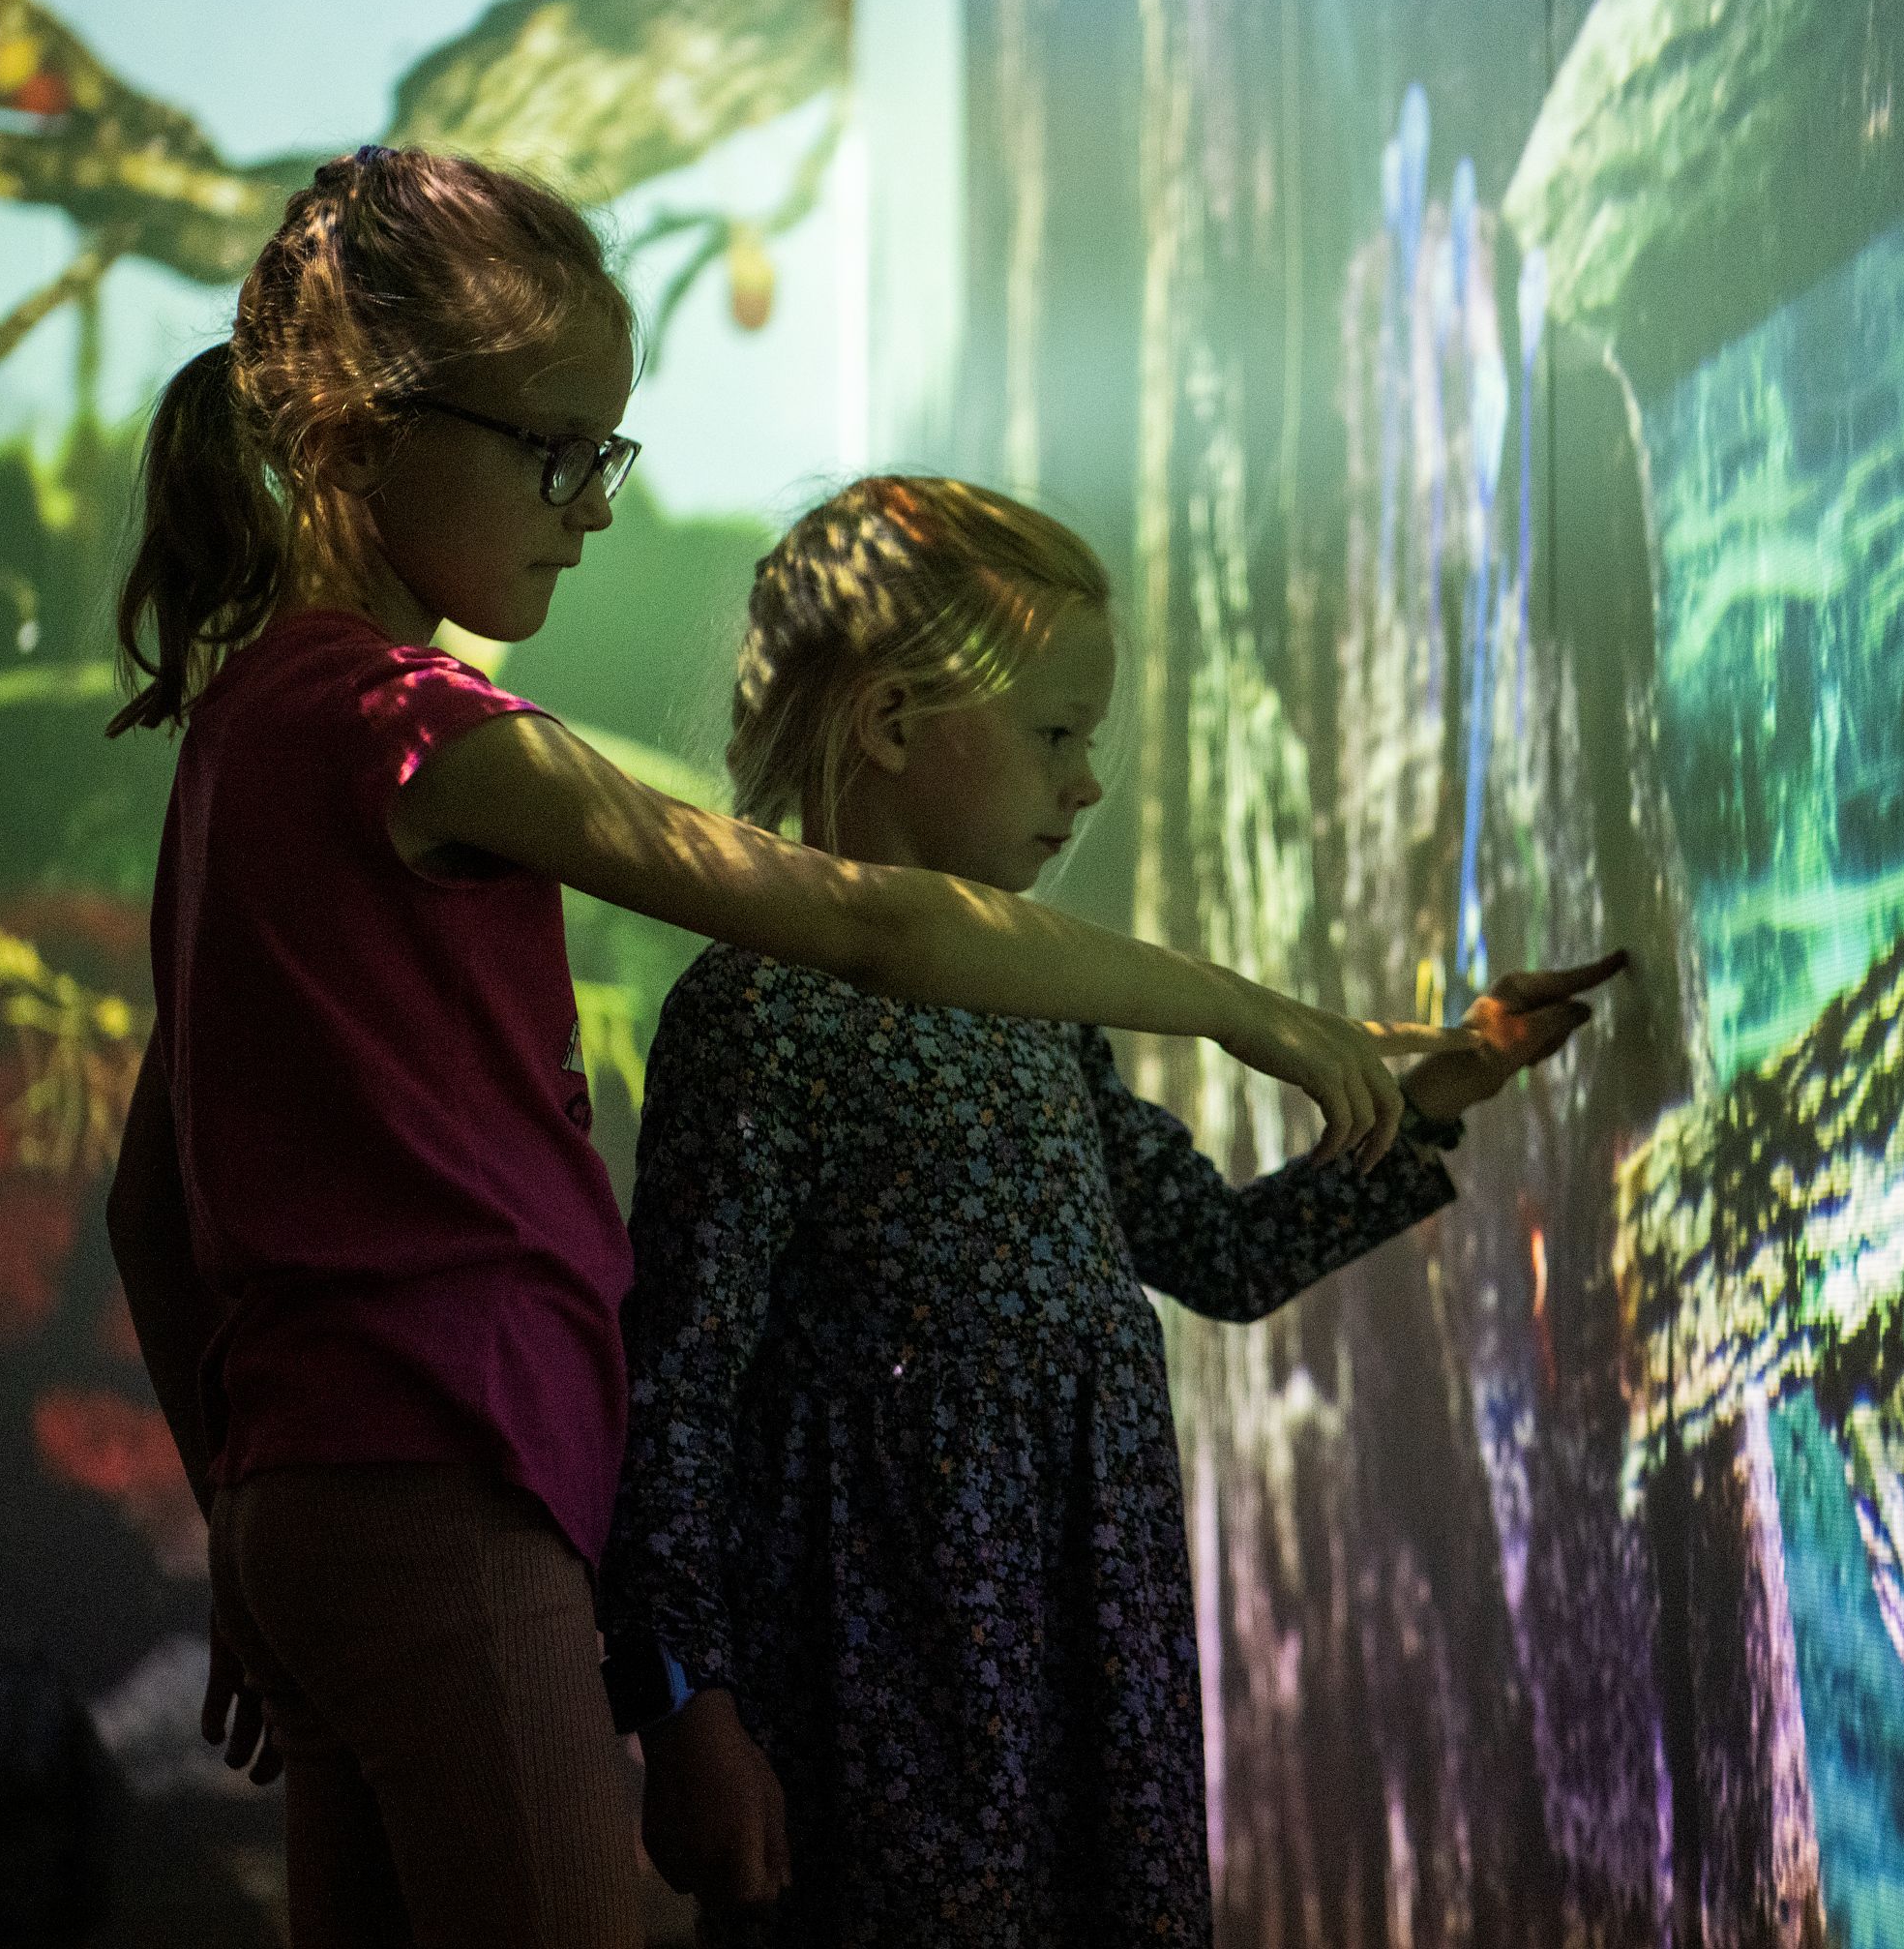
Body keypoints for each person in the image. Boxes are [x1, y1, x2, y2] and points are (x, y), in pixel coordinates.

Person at [101, 146, 1441, 1949]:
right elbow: (873, 921)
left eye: (610, 454)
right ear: (359, 425)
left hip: (318, 1506)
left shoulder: (239, 736)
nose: (587, 505)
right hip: (454, 1482)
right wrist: (1254, 1010)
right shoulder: (420, 729)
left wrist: (244, 1496)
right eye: (555, 447)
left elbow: (145, 1203)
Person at [597, 475, 1623, 1945]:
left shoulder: (1039, 1011)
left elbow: (1216, 1251)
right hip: (883, 1671)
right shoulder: (760, 1011)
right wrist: (686, 1706)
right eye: (1055, 735)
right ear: (892, 724)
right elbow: (678, 1388)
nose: (1086, 785)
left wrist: (1445, 1085)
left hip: (1093, 1665)